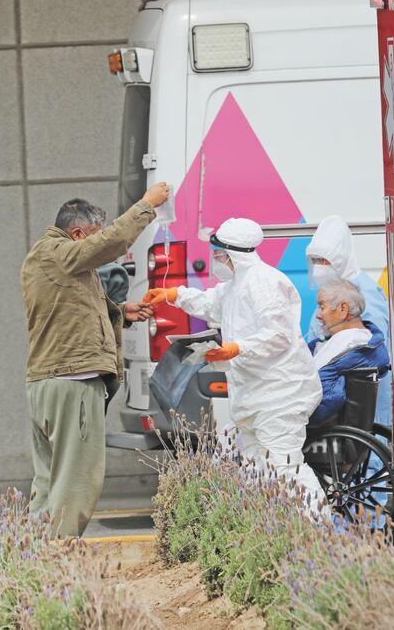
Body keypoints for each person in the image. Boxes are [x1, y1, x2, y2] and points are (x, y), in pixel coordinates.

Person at [144, 218, 326, 510]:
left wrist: (236, 348)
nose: (215, 260)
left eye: (218, 255)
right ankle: (275, 536)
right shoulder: (235, 285)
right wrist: (174, 295)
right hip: (257, 395)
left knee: (284, 467)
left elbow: (278, 335)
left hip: (282, 393)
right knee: (257, 472)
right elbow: (209, 303)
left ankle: (320, 533)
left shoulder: (266, 282)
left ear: (232, 255)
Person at [21, 182, 169, 537]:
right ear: (77, 234)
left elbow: (69, 307)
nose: (96, 246)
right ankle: (57, 566)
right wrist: (146, 206)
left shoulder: (47, 258)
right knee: (76, 482)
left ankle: (29, 560)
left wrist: (121, 311)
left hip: (48, 383)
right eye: (91, 237)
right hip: (72, 382)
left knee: (49, 483)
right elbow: (109, 243)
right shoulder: (59, 252)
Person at [305, 215, 392, 428]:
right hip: (338, 400)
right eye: (315, 261)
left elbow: (370, 350)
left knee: (365, 449)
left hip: (360, 398)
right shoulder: (332, 292)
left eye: (324, 261)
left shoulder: (366, 294)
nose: (318, 268)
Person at [308, 279, 390, 426]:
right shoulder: (361, 339)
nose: (318, 315)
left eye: (322, 306)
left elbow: (324, 398)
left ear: (342, 309)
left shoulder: (349, 343)